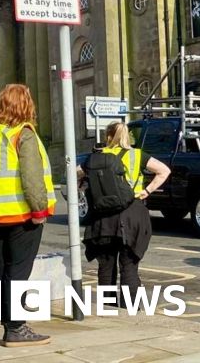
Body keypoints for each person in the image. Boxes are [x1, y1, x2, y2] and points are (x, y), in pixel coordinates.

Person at [0, 84, 55, 347]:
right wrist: (39, 210)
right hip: (20, 213)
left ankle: (8, 322)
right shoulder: (23, 133)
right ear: (26, 105)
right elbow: (32, 177)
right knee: (18, 270)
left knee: (3, 267)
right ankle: (16, 328)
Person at [84, 122, 171, 303]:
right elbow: (164, 171)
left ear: (108, 136)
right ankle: (130, 306)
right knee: (129, 265)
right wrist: (147, 191)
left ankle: (106, 305)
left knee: (106, 265)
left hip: (104, 218)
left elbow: (74, 173)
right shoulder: (137, 155)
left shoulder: (97, 157)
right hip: (132, 214)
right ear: (127, 136)